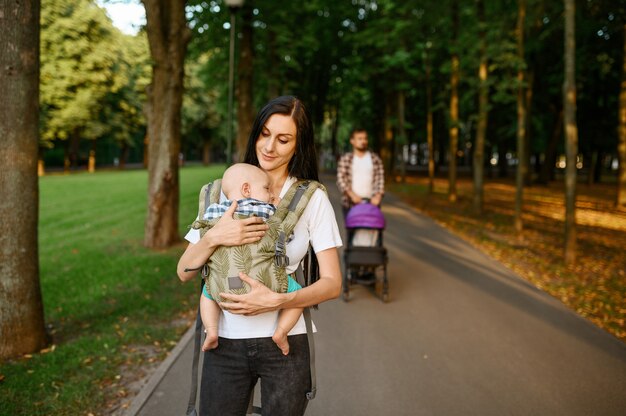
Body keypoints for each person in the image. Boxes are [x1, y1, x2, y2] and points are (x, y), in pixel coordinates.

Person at [177, 95, 343, 416]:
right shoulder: (222, 192)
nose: (269, 147)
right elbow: (184, 271)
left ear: (299, 145)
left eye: (283, 139)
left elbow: (333, 284)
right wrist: (215, 236)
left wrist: (275, 301)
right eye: (264, 134)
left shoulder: (311, 198)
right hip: (223, 341)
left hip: (285, 346)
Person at [197, 162, 305, 356]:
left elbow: (203, 229)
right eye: (266, 189)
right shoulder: (266, 210)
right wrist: (276, 205)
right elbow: (282, 234)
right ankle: (281, 332)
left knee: (207, 293)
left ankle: (211, 331)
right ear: (246, 189)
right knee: (297, 295)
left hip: (223, 283)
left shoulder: (213, 211)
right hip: (266, 279)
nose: (271, 194)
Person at [336, 128, 385, 216]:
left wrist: (378, 196)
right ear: (352, 141)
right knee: (353, 229)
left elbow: (380, 180)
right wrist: (352, 195)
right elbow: (341, 180)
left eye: (365, 138)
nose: (363, 141)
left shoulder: (375, 159)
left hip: (372, 204)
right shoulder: (345, 159)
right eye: (360, 138)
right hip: (350, 204)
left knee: (376, 229)